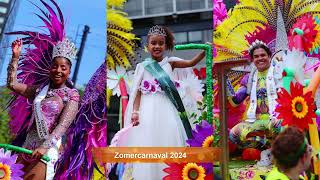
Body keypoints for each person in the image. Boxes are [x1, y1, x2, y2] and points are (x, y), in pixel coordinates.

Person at [118, 25, 205, 179]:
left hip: (168, 109)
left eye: (160, 43)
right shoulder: (142, 67)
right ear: (147, 46)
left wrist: (206, 51)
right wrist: (135, 112)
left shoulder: (171, 63)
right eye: (153, 43)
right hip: (147, 111)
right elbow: (137, 92)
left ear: (166, 45)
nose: (157, 46)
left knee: (168, 139)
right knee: (148, 142)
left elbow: (191, 62)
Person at [5, 1, 79, 179]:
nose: (58, 70)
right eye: (55, 66)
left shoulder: (71, 95)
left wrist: (45, 146)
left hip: (47, 151)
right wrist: (15, 57)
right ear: (50, 67)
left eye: (63, 68)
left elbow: (62, 126)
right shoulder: (39, 90)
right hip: (25, 146)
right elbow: (12, 84)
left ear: (69, 71)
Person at [228, 41, 282, 165]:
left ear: (269, 56)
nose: (260, 58)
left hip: (276, 119)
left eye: (263, 55)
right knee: (234, 135)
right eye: (256, 56)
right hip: (256, 121)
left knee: (279, 125)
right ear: (252, 60)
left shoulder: (278, 72)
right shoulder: (249, 78)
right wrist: (225, 82)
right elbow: (236, 101)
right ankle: (267, 150)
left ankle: (277, 153)